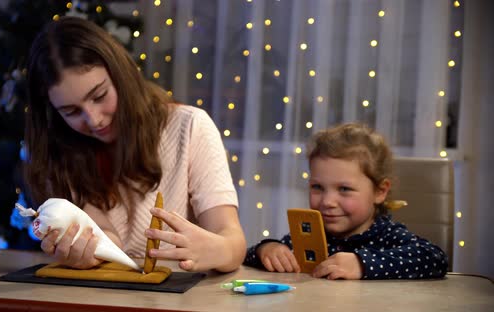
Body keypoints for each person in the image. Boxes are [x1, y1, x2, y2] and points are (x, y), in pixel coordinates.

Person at [24, 17, 246, 272]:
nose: (94, 120)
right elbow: (107, 238)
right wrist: (89, 251)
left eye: (99, 96)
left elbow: (232, 240)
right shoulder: (59, 149)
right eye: (71, 111)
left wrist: (218, 249)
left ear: (121, 75)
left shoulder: (189, 126)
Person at [244, 123, 448, 280]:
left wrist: (362, 264)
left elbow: (435, 259)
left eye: (344, 189)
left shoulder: (387, 236)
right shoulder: (312, 234)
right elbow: (247, 256)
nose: (328, 201)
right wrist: (267, 249)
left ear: (380, 191)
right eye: (317, 187)